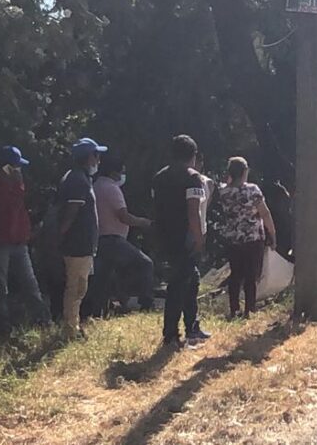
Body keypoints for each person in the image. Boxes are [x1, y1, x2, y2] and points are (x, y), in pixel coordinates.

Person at [0, 145, 48, 332]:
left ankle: (42, 319)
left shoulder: (13, 186)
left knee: (30, 283)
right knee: (0, 286)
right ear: (6, 168)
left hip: (18, 243)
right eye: (16, 167)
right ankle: (1, 324)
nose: (19, 171)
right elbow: (8, 211)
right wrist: (18, 187)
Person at [152, 134, 210, 347]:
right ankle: (171, 334)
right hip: (184, 237)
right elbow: (193, 211)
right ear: (193, 156)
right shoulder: (192, 177)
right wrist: (198, 238)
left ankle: (192, 326)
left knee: (191, 280)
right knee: (178, 285)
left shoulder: (159, 177)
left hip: (164, 236)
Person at [87, 155, 154, 315]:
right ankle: (145, 303)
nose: (123, 175)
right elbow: (124, 216)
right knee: (145, 264)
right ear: (114, 172)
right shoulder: (112, 188)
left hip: (99, 238)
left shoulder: (95, 186)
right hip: (113, 239)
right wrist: (144, 222)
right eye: (122, 172)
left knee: (103, 277)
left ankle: (102, 309)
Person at [56, 138, 107, 335]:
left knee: (79, 286)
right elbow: (71, 212)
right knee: (76, 287)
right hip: (77, 245)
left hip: (82, 245)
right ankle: (70, 328)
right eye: (97, 155)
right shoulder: (78, 180)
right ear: (88, 157)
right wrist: (62, 235)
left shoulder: (81, 178)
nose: (99, 160)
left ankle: (73, 324)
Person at [215, 156, 278, 318]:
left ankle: (234, 308)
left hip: (233, 238)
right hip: (253, 238)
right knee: (251, 275)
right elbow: (265, 213)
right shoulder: (252, 190)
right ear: (245, 172)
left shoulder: (223, 191)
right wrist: (272, 233)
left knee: (235, 274)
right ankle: (250, 309)